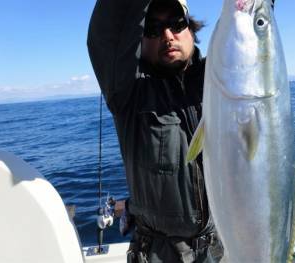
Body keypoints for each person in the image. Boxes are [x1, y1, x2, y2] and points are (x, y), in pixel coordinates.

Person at [87, 0, 224, 262]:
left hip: (225, 245)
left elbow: (250, 28)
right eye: (153, 28)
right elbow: (109, 32)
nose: (167, 35)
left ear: (191, 30)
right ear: (139, 40)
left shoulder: (221, 78)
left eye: (177, 23)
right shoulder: (128, 93)